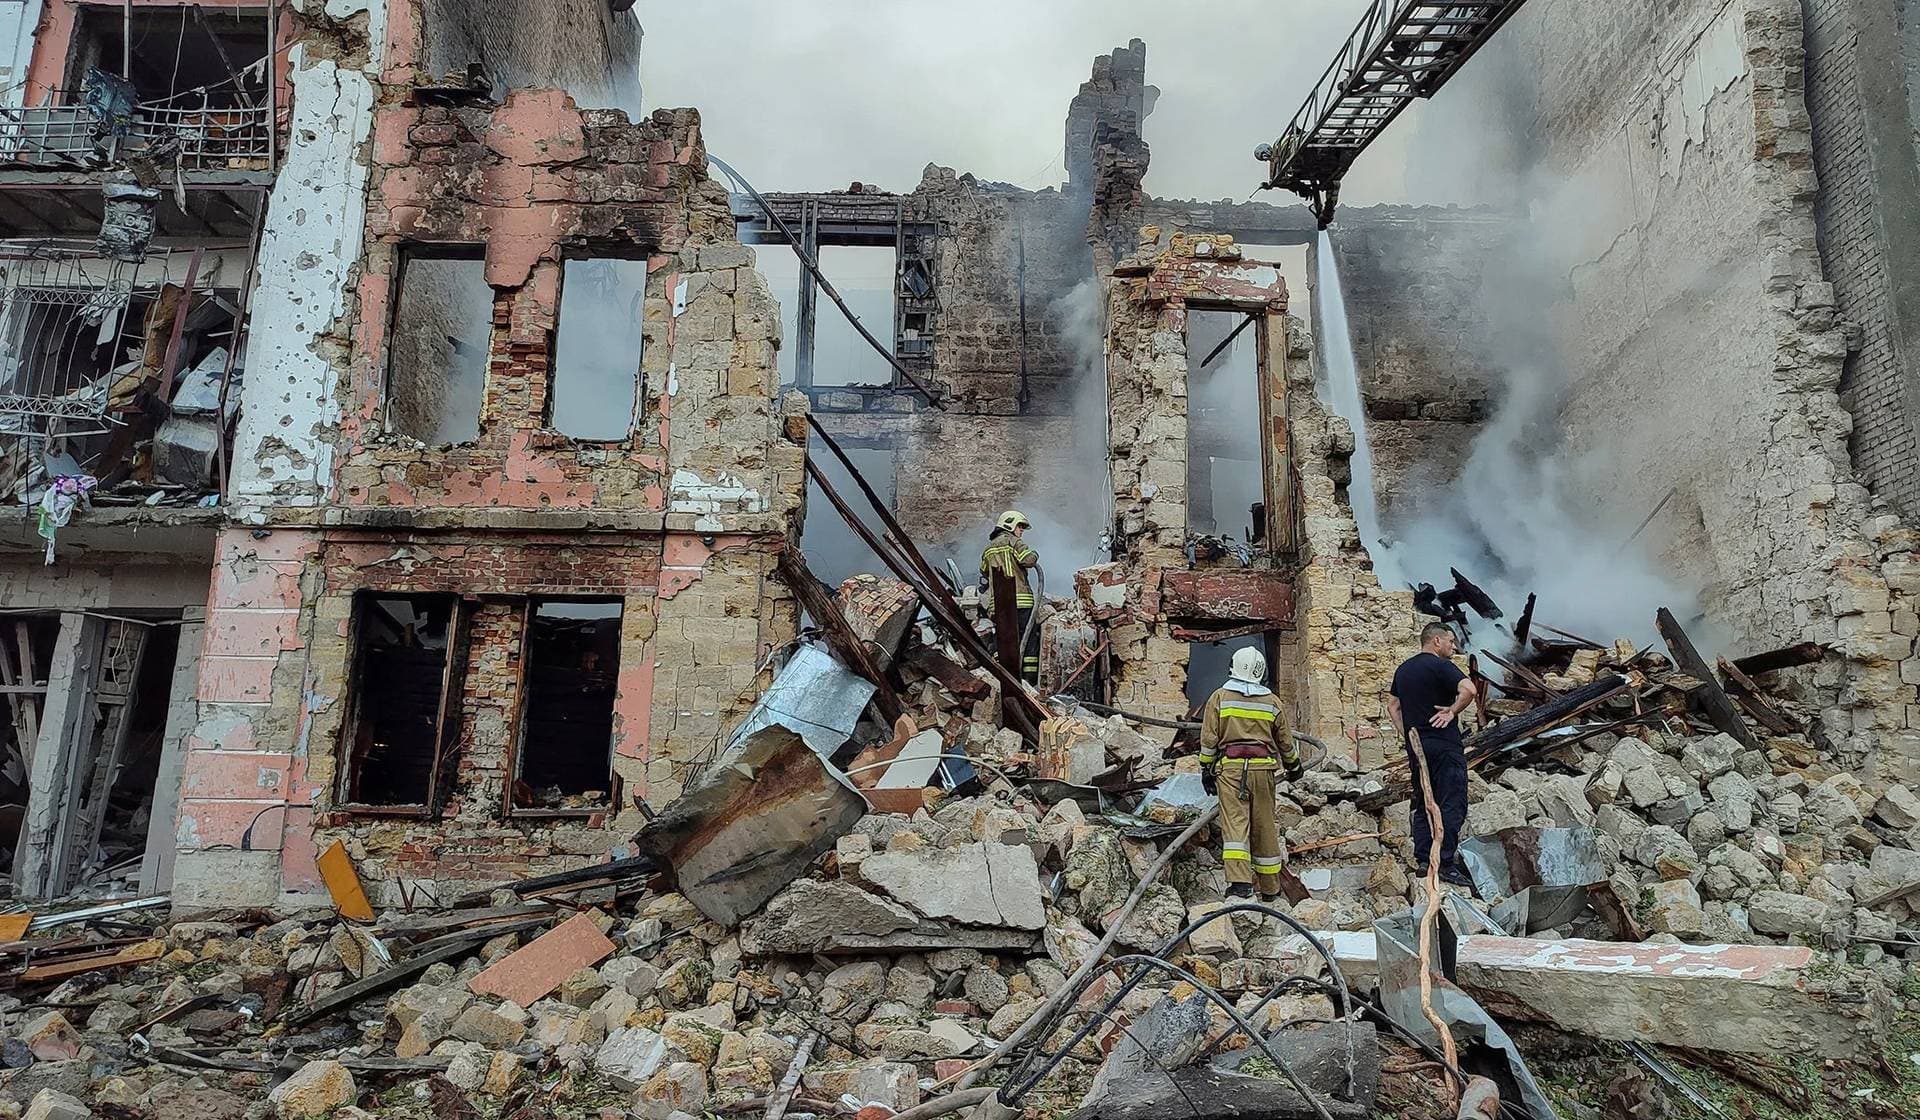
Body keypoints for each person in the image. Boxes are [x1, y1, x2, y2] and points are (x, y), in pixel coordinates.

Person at [1198, 646, 1302, 899]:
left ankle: (1240, 883)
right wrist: (1294, 766)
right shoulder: (1272, 702)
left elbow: (1209, 739)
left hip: (1231, 771)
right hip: (1263, 771)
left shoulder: (1220, 697)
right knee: (1265, 827)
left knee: (1235, 828)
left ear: (1234, 666)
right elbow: (1285, 742)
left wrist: (1206, 769)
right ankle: (1270, 889)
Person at [1387, 622, 1478, 888]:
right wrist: (1452, 711)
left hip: (1418, 747)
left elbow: (1393, 705)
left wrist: (1407, 733)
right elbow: (1470, 690)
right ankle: (1445, 863)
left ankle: (1424, 859)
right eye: (1450, 640)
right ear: (1436, 641)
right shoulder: (1441, 666)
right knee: (1452, 801)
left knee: (1424, 799)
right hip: (1444, 745)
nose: (1453, 645)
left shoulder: (1403, 670)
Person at [980, 510, 1042, 683]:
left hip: (998, 605)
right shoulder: (1014, 542)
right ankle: (1029, 680)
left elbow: (984, 571)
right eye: (1019, 527)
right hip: (1021, 602)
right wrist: (1035, 554)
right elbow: (1028, 560)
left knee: (1004, 640)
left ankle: (1002, 678)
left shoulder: (988, 549)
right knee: (1028, 638)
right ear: (1009, 525)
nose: (1021, 531)